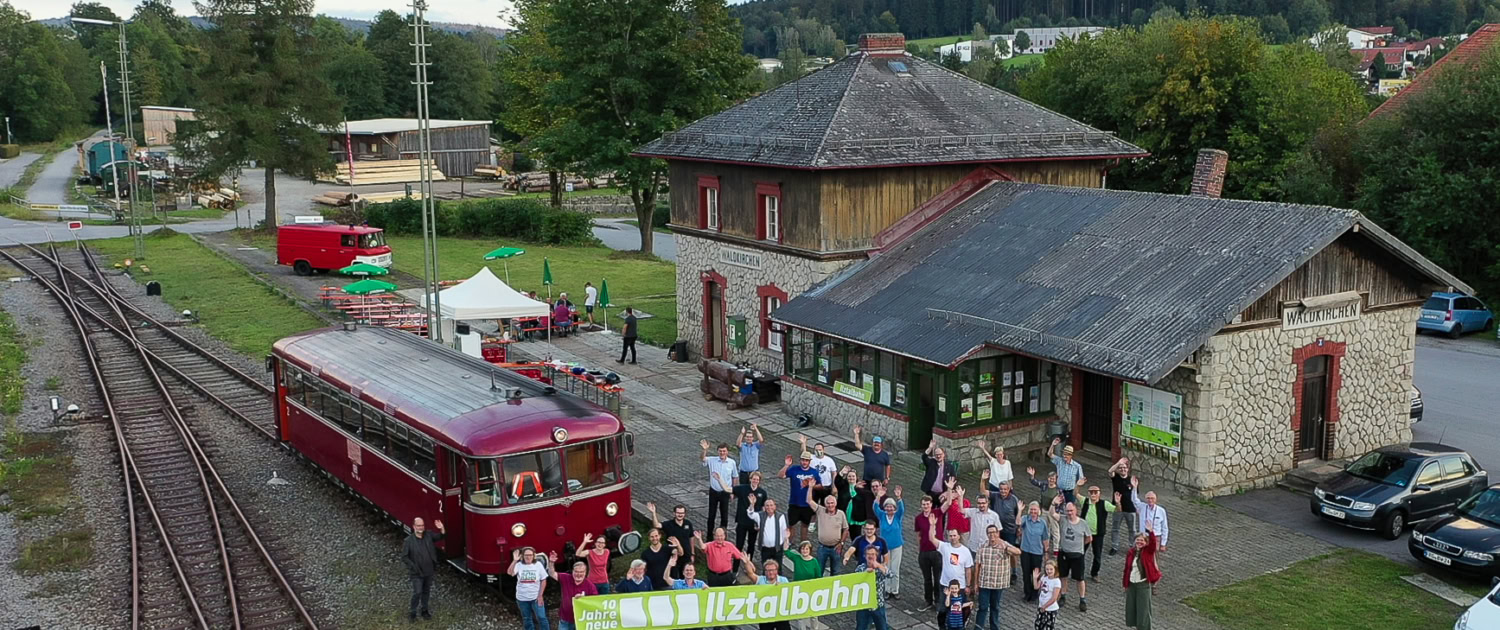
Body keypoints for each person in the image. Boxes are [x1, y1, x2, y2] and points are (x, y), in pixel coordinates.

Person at [974, 525, 1021, 630]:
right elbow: (977, 566)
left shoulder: (1004, 545)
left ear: (998, 533)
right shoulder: (982, 547)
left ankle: (994, 627)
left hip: (998, 583)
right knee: (983, 607)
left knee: (995, 607)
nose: (992, 535)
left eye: (994, 532)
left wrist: (1006, 548)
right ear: (987, 535)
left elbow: (1018, 552)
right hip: (984, 583)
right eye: (989, 533)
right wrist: (976, 583)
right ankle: (978, 627)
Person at [402, 517, 446, 621]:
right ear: (414, 526)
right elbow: (404, 557)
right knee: (417, 592)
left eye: (422, 525)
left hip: (429, 571)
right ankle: (413, 612)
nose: (421, 527)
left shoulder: (429, 535)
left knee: (426, 591)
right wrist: (413, 567)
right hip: (417, 572)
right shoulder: (408, 541)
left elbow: (442, 536)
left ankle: (424, 611)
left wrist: (442, 528)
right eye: (418, 525)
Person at [1123, 521, 1163, 630]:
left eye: (1142, 540)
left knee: (1143, 611)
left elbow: (1153, 544)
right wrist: (1125, 584)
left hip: (1143, 585)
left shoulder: (1147, 552)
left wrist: (1151, 532)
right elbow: (1127, 569)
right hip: (1132, 585)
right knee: (1132, 610)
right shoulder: (1131, 552)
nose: (1139, 542)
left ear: (1145, 542)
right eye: (1138, 540)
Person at [508, 547, 556, 630]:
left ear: (533, 556)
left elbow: (543, 580)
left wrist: (540, 596)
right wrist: (515, 560)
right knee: (527, 618)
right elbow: (510, 572)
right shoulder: (519, 565)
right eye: (526, 555)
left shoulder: (538, 565)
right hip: (521, 598)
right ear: (522, 556)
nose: (528, 557)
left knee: (542, 617)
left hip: (536, 598)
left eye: (530, 555)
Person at [1056, 500, 1091, 612]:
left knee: (1080, 578)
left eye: (1071, 510)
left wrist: (1080, 547)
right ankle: (1063, 596)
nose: (1069, 513)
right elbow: (1052, 514)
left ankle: (1082, 599)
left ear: (1076, 510)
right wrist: (1054, 503)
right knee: (1063, 576)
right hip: (1064, 553)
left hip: (1077, 555)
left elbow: (1089, 538)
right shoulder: (1063, 520)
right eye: (1067, 511)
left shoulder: (1083, 523)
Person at [647, 502, 695, 579]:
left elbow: (691, 538)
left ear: (685, 514)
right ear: (674, 513)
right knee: (674, 578)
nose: (680, 515)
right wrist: (653, 513)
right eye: (678, 513)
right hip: (674, 556)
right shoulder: (669, 524)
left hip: (687, 556)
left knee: (687, 578)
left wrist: (692, 553)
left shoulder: (688, 523)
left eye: (682, 513)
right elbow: (656, 525)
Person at [779, 453, 818, 543]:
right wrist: (786, 465)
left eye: (806, 460)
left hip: (807, 504)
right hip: (794, 503)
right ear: (800, 460)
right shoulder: (794, 469)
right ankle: (788, 543)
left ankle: (803, 544)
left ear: (809, 461)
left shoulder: (814, 472)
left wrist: (811, 485)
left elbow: (820, 486)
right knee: (791, 525)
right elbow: (781, 476)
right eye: (803, 460)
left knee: (805, 525)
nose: (804, 462)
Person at [1079, 486, 1116, 580]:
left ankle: (1094, 574)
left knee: (1097, 555)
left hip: (1098, 534)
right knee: (1080, 553)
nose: (1093, 494)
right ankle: (1079, 572)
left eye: (1095, 492)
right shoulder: (1085, 501)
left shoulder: (1104, 504)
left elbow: (1117, 509)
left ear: (1099, 493)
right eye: (1091, 492)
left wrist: (1118, 502)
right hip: (1085, 533)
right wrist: (1078, 486)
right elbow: (1076, 494)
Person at [745, 558, 793, 630]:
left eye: (773, 570)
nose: (771, 573)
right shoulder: (760, 580)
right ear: (765, 571)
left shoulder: (783, 580)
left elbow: (791, 593)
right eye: (768, 570)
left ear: (776, 570)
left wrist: (783, 588)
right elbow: (750, 573)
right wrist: (747, 563)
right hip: (765, 614)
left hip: (780, 614)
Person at [1017, 501, 1050, 603]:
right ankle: (1027, 593)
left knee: (1036, 573)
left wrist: (1046, 552)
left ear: (1039, 511)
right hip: (1025, 551)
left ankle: (1035, 593)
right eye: (1031, 509)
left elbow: (1045, 538)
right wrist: (1019, 510)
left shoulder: (1043, 523)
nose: (1033, 511)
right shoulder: (1025, 519)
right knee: (1026, 573)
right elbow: (1017, 522)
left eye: (1035, 509)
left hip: (1037, 552)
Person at [783, 543, 821, 630]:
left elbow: (818, 576)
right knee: (800, 614)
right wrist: (786, 541)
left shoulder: (814, 561)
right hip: (799, 590)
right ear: (800, 550)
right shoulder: (797, 558)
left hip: (811, 590)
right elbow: (786, 552)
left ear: (810, 550)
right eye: (803, 549)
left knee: (813, 613)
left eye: (807, 549)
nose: (805, 551)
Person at [733, 471, 769, 563]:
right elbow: (729, 489)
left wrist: (761, 523)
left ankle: (748, 564)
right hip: (742, 521)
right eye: (754, 479)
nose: (755, 481)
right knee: (739, 545)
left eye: (757, 479)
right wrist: (719, 480)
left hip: (753, 524)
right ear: (750, 479)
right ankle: (735, 568)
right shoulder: (742, 488)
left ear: (759, 481)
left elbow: (764, 509)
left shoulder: (763, 493)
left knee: (751, 545)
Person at [914, 495, 943, 611]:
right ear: (921, 506)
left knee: (938, 578)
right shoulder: (918, 518)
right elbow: (918, 534)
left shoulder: (937, 513)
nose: (925, 506)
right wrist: (919, 548)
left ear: (931, 504)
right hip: (924, 552)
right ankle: (928, 601)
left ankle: (938, 601)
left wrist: (950, 490)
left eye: (927, 504)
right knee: (927, 579)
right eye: (923, 504)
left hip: (936, 551)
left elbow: (947, 504)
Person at [702, 440, 737, 531]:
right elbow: (702, 458)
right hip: (713, 491)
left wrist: (734, 491)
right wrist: (705, 450)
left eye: (724, 451)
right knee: (711, 515)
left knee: (724, 515)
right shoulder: (712, 460)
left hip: (725, 492)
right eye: (720, 451)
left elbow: (735, 477)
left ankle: (723, 536)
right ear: (718, 452)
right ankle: (709, 536)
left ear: (727, 452)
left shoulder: (732, 462)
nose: (722, 453)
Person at [876, 490, 905, 600]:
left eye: (891, 507)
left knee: (895, 569)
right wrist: (878, 496)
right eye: (887, 507)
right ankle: (887, 589)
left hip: (897, 546)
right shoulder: (882, 516)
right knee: (886, 568)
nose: (889, 509)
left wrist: (899, 497)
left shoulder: (897, 516)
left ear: (894, 508)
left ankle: (895, 590)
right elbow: (875, 507)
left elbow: (902, 508)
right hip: (885, 547)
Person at [854, 546, 892, 630]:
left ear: (876, 555)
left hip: (878, 604)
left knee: (882, 627)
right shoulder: (860, 568)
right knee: (861, 627)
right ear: (865, 556)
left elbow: (890, 574)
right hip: (864, 605)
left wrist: (878, 566)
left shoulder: (880, 568)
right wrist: (866, 573)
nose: (870, 556)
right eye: (868, 554)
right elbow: (855, 580)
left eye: (873, 554)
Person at [1130, 476, 1169, 553]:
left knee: (1154, 556)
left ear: (1156, 499)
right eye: (1148, 498)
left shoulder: (1161, 511)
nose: (1150, 500)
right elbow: (1134, 500)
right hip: (1144, 536)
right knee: (1142, 555)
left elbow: (1165, 528)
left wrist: (1163, 544)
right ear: (1145, 499)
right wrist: (1134, 488)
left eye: (1152, 498)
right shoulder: (1142, 507)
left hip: (1155, 537)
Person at [746, 494, 790, 563]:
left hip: (777, 548)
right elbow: (750, 514)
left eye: (771, 505)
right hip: (765, 549)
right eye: (767, 505)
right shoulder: (760, 516)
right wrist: (752, 504)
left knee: (778, 569)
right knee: (765, 567)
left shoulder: (781, 517)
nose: (769, 507)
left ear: (775, 507)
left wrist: (786, 542)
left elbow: (784, 531)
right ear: (764, 507)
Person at [1108, 458, 1139, 555]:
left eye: (1124, 468)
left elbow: (1135, 495)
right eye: (1120, 468)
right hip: (1118, 508)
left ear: (1128, 469)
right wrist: (1118, 462)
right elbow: (1110, 471)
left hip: (1130, 509)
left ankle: (1133, 547)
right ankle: (1114, 546)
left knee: (1132, 530)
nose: (1122, 469)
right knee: (1115, 528)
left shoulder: (1132, 480)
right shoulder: (1115, 477)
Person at [813, 493, 848, 576]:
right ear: (825, 504)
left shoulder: (841, 514)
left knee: (836, 572)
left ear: (835, 504)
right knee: (819, 571)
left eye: (832, 503)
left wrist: (841, 543)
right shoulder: (820, 510)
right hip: (822, 547)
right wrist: (810, 487)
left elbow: (846, 529)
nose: (830, 505)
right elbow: (809, 501)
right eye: (828, 503)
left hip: (836, 547)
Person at [559, 560, 598, 630]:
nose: (578, 574)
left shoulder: (590, 586)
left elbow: (595, 602)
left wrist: (583, 599)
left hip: (581, 620)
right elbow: (552, 573)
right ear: (572, 571)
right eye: (576, 571)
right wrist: (551, 562)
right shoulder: (566, 578)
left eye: (581, 572)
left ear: (585, 573)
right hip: (565, 619)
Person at [1047, 439, 1086, 506]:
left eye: (1067, 454)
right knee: (1057, 507)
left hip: (1070, 492)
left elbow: (1081, 479)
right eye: (1064, 454)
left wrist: (1078, 486)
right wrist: (1053, 445)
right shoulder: (1059, 461)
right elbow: (1050, 454)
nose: (1064, 456)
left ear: (1071, 455)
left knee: (1069, 509)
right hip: (1059, 491)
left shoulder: (1077, 466)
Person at [799, 435, 837, 502]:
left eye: (820, 450)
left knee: (825, 504)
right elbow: (803, 453)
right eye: (816, 450)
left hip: (826, 487)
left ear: (823, 450)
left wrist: (834, 486)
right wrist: (803, 443)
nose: (818, 451)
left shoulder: (829, 460)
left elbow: (834, 473)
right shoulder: (811, 458)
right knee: (812, 503)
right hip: (814, 486)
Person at [1034, 561, 1062, 630]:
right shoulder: (1044, 577)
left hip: (1051, 608)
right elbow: (1036, 587)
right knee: (1038, 625)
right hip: (1041, 606)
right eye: (1047, 569)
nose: (1049, 571)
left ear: (1055, 569)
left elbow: (1054, 598)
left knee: (1048, 627)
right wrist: (1035, 578)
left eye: (1051, 569)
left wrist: (1044, 606)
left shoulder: (1056, 581)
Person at [992, 481, 1020, 548]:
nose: (1003, 491)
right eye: (1001, 489)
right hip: (998, 529)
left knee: (1011, 550)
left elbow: (1018, 515)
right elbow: (983, 492)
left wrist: (1018, 528)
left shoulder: (1014, 499)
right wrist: (983, 479)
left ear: (1009, 489)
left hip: (1010, 531)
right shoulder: (995, 495)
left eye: (1005, 489)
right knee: (998, 548)